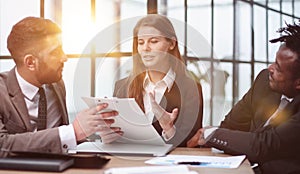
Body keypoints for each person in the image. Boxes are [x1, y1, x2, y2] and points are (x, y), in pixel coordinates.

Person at [187, 21, 300, 174]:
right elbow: (231, 125)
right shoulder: (264, 81)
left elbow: (264, 145)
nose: (270, 68)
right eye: (274, 62)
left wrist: (210, 134)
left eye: (278, 68)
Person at [0, 16, 118, 157]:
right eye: (55, 52)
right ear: (30, 62)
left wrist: (97, 130)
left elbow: (63, 143)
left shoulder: (56, 84)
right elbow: (3, 146)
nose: (64, 58)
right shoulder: (2, 91)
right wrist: (74, 131)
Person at [98, 14, 203, 147]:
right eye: (141, 42)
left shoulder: (190, 88)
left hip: (169, 166)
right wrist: (108, 134)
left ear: (171, 43)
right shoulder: (122, 86)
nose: (146, 48)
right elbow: (120, 137)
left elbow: (192, 144)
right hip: (128, 164)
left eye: (153, 41)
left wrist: (168, 128)